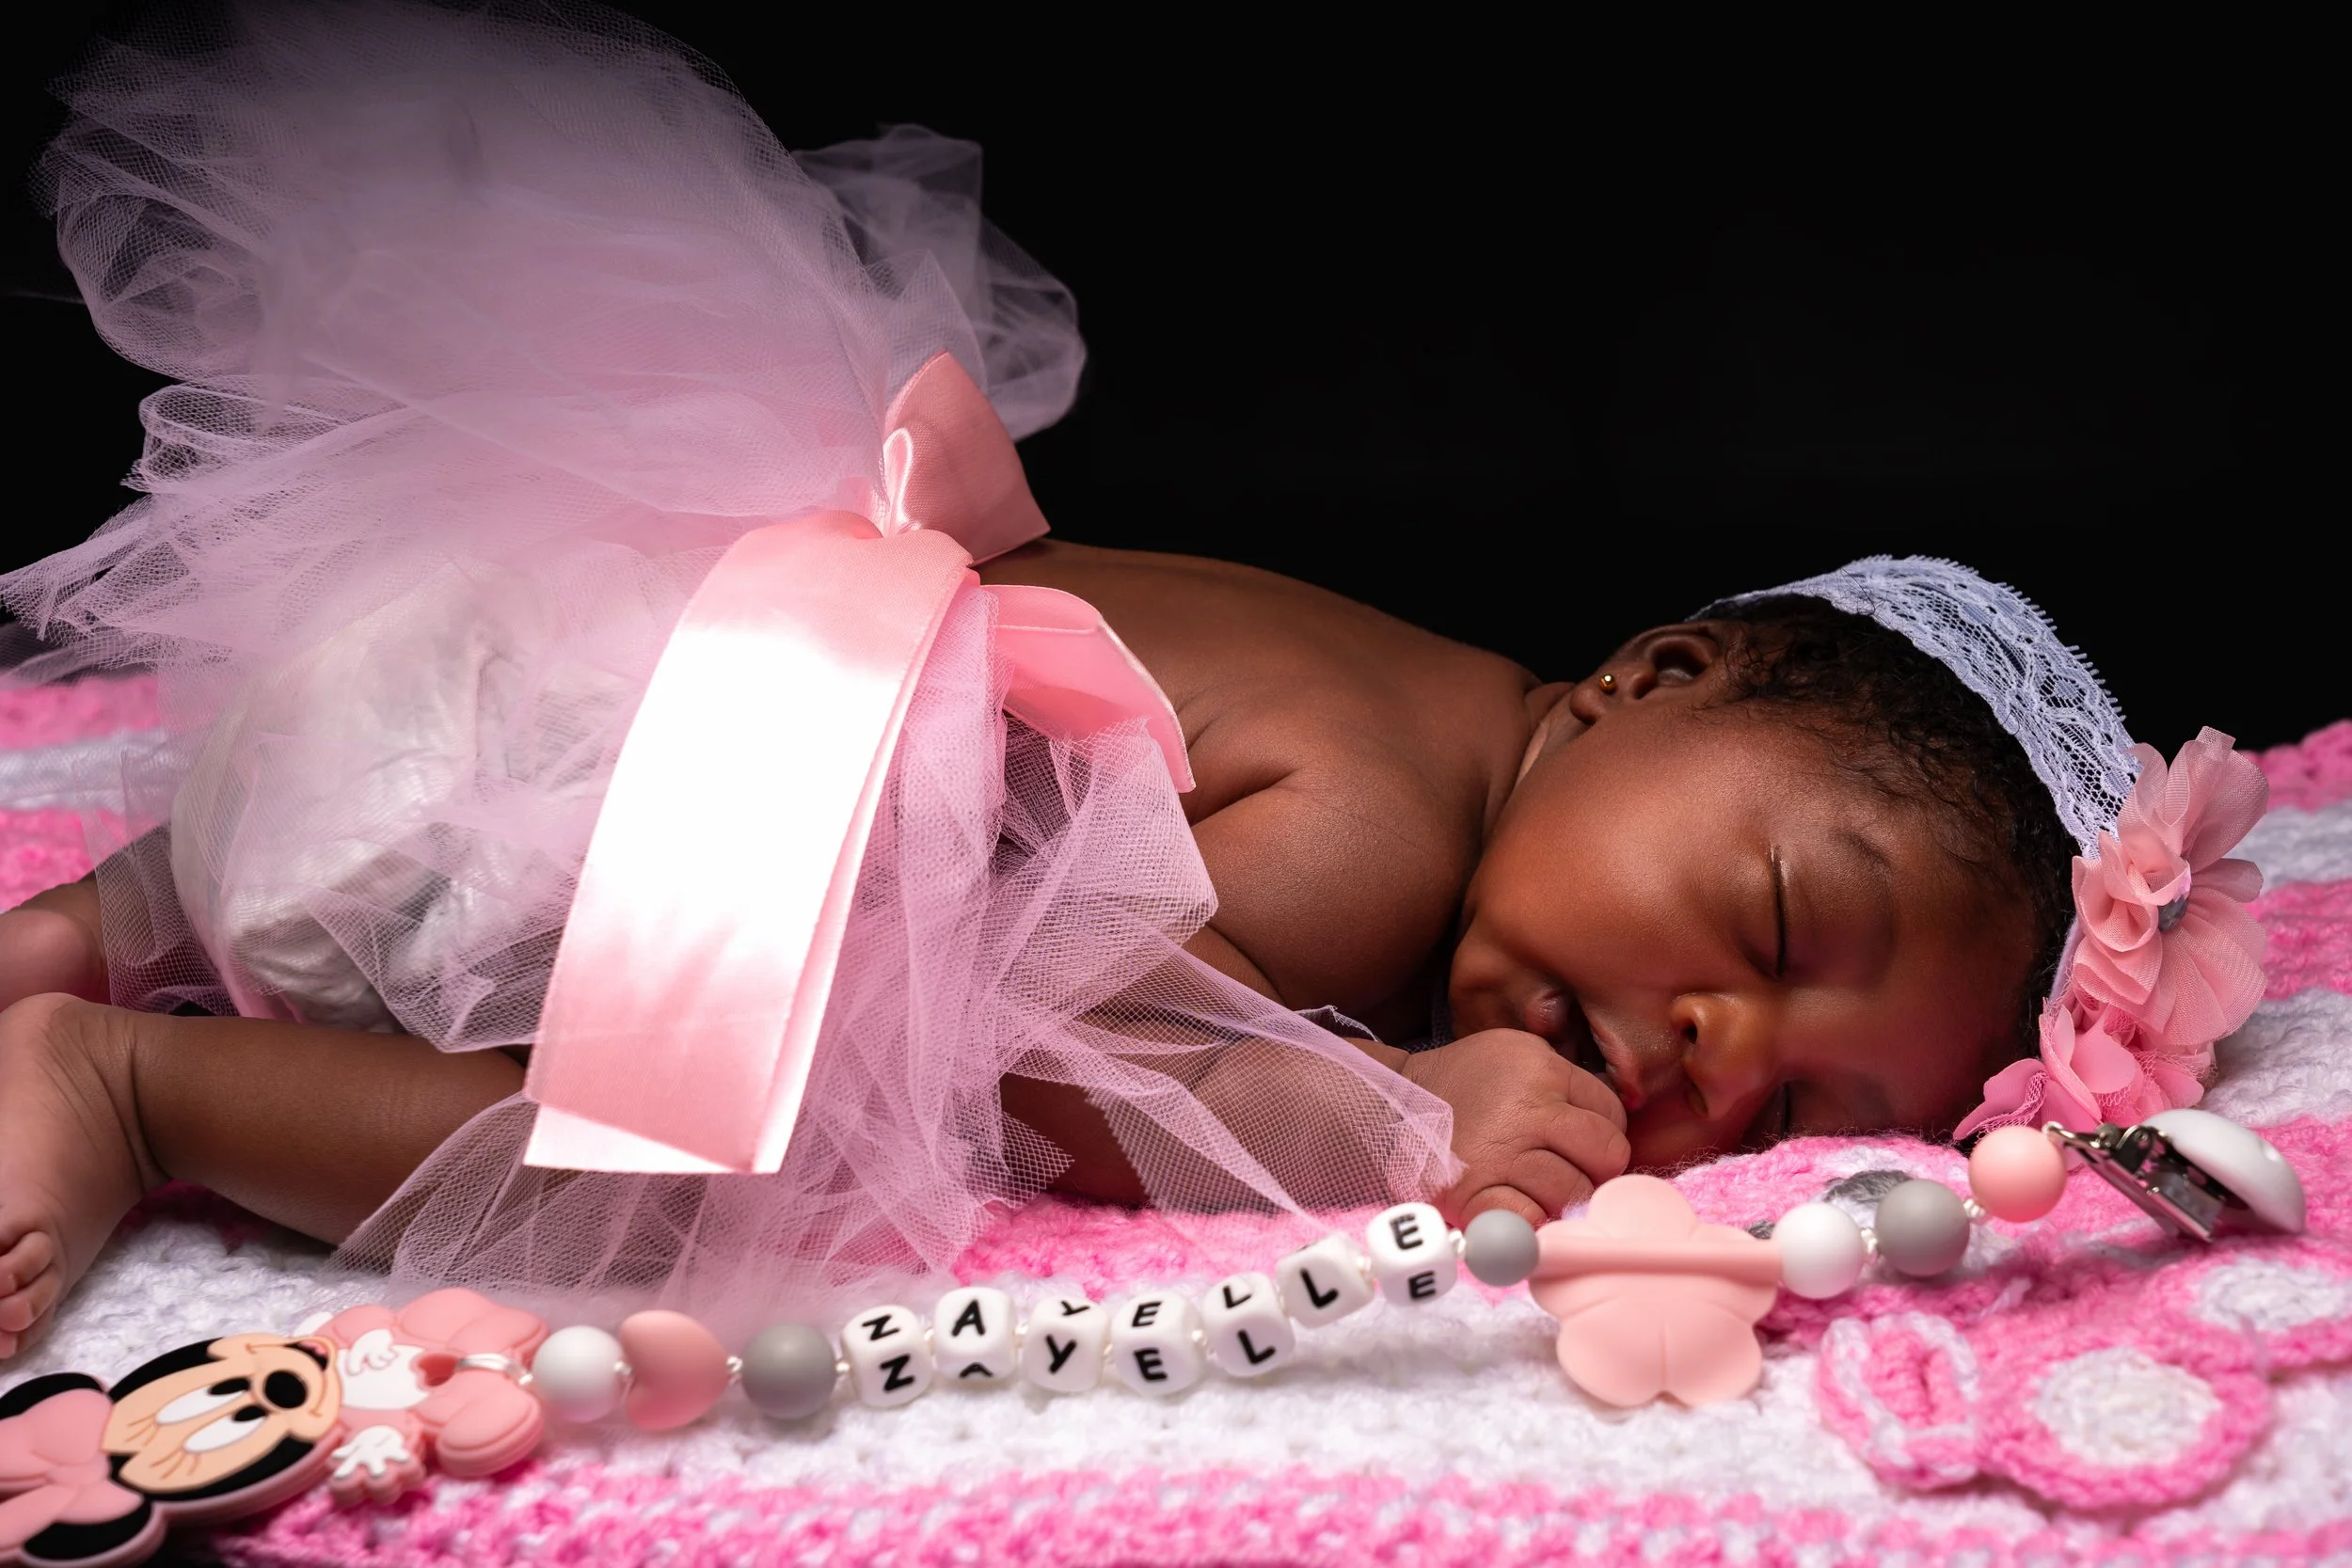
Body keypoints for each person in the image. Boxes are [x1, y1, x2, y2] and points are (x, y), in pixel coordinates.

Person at [0, 0, 2252, 1359]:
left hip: (424, 668)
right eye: (1767, 934)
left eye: (1781, 1112)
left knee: (508, 837)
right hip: (490, 810)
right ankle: (127, 1081)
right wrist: (1382, 1124)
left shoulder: (1413, 690)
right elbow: (1027, 1050)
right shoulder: (1373, 837)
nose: (1702, 1059)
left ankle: (96, 918)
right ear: (1645, 671)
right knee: (694, 1160)